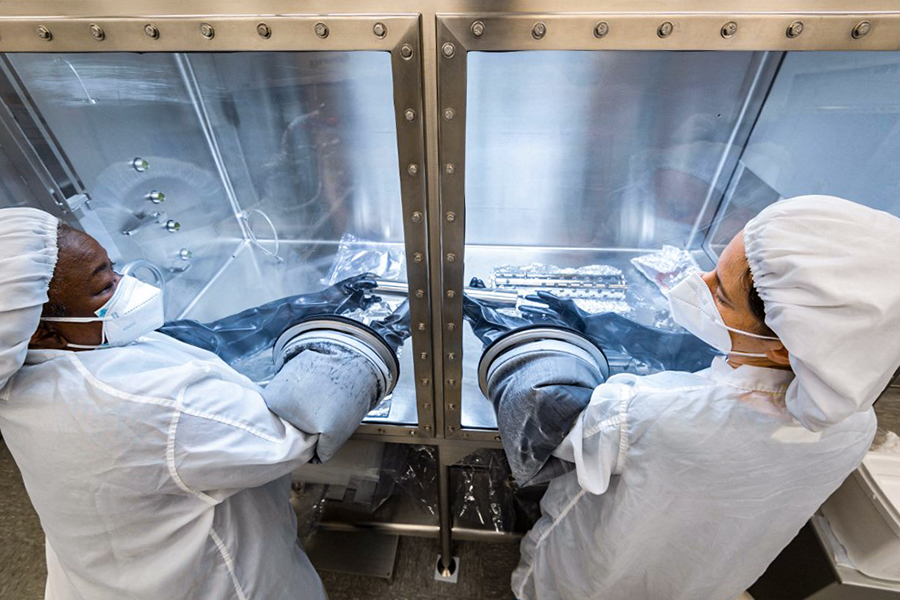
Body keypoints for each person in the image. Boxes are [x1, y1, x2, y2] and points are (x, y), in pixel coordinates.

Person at [467, 195, 900, 600]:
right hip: (709, 578)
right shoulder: (856, 424)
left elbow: (544, 415)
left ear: (787, 345)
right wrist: (604, 326)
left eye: (721, 293)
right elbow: (737, 358)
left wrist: (523, 341)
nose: (701, 282)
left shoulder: (659, 415)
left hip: (597, 577)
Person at [0, 207, 407, 600]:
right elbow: (299, 428)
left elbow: (197, 338)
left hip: (106, 576)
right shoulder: (140, 401)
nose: (128, 285)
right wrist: (378, 335)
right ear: (45, 331)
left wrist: (315, 302)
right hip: (204, 584)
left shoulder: (23, 364)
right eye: (105, 286)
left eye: (114, 267)